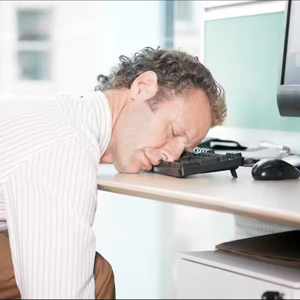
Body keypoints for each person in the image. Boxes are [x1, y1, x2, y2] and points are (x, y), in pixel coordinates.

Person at [0, 47, 226, 299]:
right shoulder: (65, 148)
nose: (172, 155)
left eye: (184, 149)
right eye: (173, 132)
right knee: (96, 277)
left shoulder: (66, 116)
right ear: (143, 87)